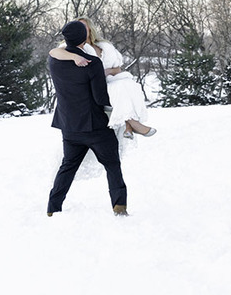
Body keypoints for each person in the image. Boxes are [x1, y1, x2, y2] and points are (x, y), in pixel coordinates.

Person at [47, 20, 128, 216]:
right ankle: (119, 206)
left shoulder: (54, 60)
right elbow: (101, 98)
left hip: (69, 126)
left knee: (68, 167)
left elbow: (53, 52)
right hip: (95, 126)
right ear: (85, 38)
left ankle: (53, 208)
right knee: (112, 165)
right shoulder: (92, 63)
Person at [50, 17, 156, 140]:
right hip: (91, 87)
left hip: (108, 79)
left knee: (128, 85)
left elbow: (117, 69)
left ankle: (129, 125)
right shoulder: (70, 47)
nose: (81, 29)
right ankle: (133, 124)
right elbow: (53, 52)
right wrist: (75, 57)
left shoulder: (104, 46)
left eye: (84, 26)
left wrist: (105, 72)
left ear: (90, 29)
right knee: (119, 88)